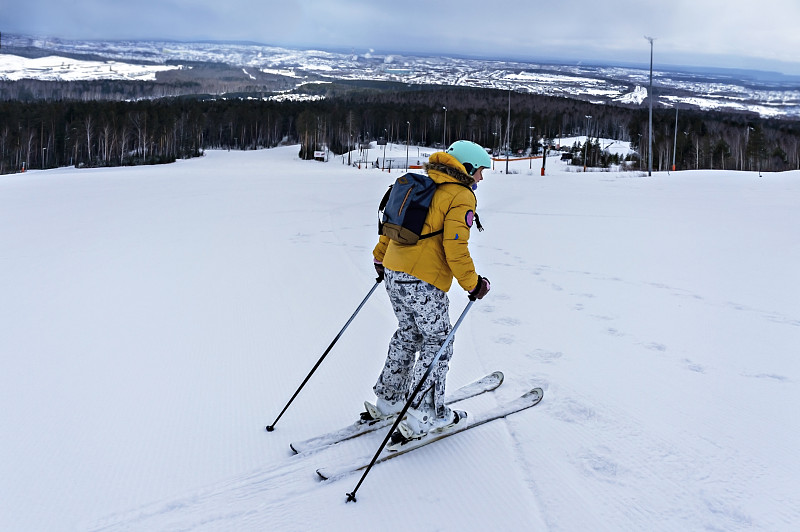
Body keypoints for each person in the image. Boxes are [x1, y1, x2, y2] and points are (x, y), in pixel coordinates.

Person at [364, 140, 492, 440]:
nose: (481, 179)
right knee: (438, 342)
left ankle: (389, 401)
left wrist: (380, 256)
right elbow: (455, 247)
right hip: (424, 279)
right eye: (481, 171)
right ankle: (426, 413)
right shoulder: (460, 195)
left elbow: (392, 225)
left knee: (408, 333)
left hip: (395, 272)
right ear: (468, 167)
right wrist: (473, 284)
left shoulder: (423, 182)